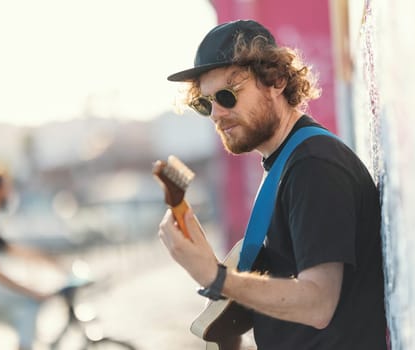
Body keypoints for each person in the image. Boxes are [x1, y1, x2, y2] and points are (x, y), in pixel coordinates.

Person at [158, 20, 387, 349]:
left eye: (227, 95)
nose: (217, 114)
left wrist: (215, 277)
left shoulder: (313, 167)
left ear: (276, 80)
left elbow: (318, 303)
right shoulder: (285, 163)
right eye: (205, 103)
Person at [0, 174, 62, 350]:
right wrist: (29, 291)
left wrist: (49, 259)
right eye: (6, 189)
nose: (10, 194)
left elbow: (14, 251)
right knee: (30, 303)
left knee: (23, 321)